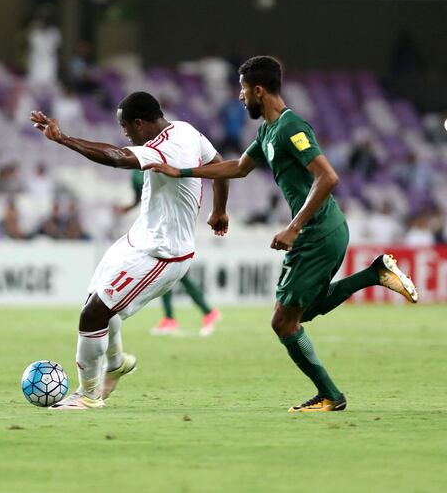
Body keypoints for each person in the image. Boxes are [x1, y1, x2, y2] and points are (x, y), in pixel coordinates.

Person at [146, 56, 418, 413]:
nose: (240, 97)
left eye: (243, 89)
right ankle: (375, 273)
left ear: (258, 90)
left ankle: (331, 396)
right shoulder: (268, 131)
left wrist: (294, 227)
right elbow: (238, 167)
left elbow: (328, 177)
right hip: (321, 229)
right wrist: (180, 171)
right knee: (299, 314)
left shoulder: (292, 127)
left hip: (317, 231)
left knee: (283, 322)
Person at [30, 91, 229, 409]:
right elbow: (219, 165)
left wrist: (64, 138)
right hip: (139, 240)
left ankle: (88, 396)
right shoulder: (186, 130)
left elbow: (118, 158)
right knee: (95, 304)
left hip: (163, 253)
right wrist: (219, 210)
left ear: (139, 123)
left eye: (126, 128)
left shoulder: (167, 147)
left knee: (92, 315)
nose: (125, 135)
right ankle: (117, 362)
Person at [118, 169, 221, 336]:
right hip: (154, 228)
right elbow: (139, 198)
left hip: (171, 225)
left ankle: (177, 317)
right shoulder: (135, 173)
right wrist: (127, 208)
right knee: (174, 275)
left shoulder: (158, 164)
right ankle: (202, 313)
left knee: (171, 273)